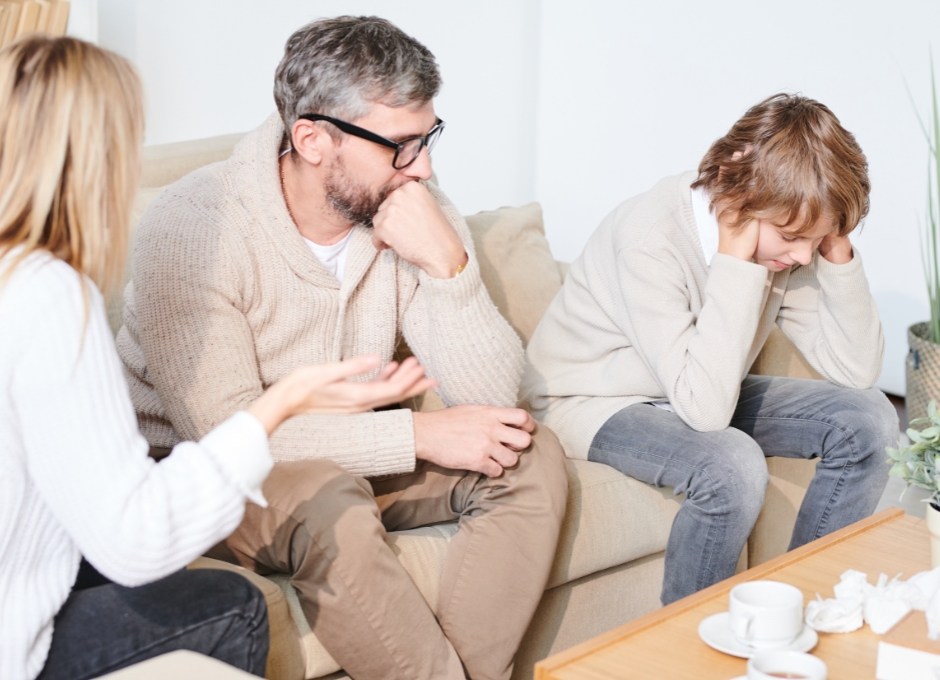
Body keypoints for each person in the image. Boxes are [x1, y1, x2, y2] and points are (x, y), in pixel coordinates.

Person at [117, 15, 568, 680]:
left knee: (527, 453)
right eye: (402, 144)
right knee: (329, 503)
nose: (425, 165)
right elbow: (226, 436)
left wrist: (449, 264)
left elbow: (496, 399)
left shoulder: (409, 204)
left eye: (429, 137)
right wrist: (414, 435)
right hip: (203, 473)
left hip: (346, 449)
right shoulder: (195, 228)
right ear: (312, 139)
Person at [0, 36, 435, 680]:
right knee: (231, 606)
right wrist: (282, 403)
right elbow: (136, 541)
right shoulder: (49, 294)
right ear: (94, 160)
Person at [522, 93, 897, 606]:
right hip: (591, 400)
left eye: (818, 238)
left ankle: (806, 612)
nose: (802, 254)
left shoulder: (790, 246)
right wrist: (737, 264)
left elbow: (856, 369)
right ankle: (693, 650)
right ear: (735, 193)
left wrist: (839, 253)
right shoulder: (648, 238)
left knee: (869, 419)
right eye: (792, 236)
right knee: (731, 464)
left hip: (696, 386)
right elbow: (706, 412)